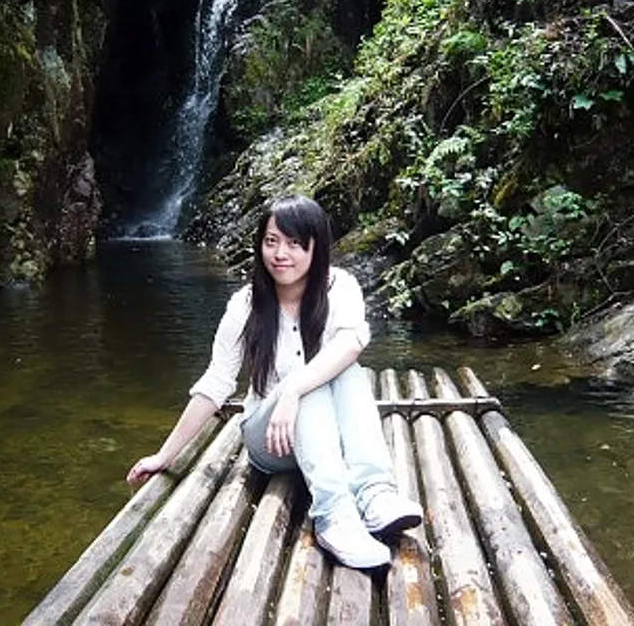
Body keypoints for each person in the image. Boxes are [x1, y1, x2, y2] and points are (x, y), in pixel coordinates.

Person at [127, 194, 422, 569]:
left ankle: (375, 494)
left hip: (325, 435)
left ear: (316, 247)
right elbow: (216, 383)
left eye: (295, 243)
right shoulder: (245, 305)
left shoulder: (340, 287)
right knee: (307, 383)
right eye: (271, 241)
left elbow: (352, 343)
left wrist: (294, 390)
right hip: (270, 439)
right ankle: (334, 516)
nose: (281, 254)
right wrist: (164, 456)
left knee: (345, 370)